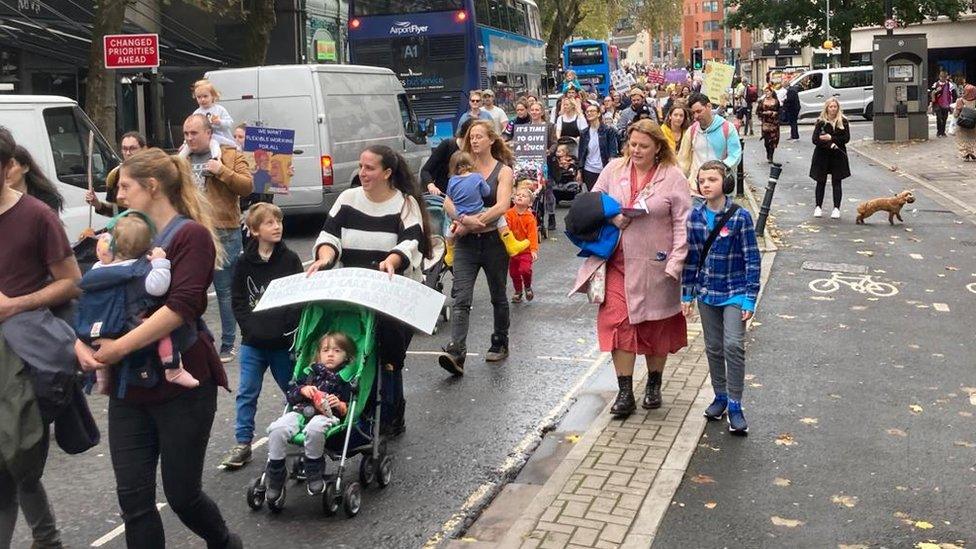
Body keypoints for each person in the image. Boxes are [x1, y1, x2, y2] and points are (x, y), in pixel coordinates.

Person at [73, 148, 241, 549]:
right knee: (133, 500)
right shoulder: (120, 233)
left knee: (182, 496)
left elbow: (180, 307)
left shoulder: (190, 235)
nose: (121, 195)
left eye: (127, 186)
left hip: (181, 380)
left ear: (152, 187)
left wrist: (114, 351)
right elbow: (96, 292)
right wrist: (81, 342)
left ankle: (224, 542)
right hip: (130, 385)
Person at [306, 145, 433, 436]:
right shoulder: (347, 199)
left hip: (392, 293)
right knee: (354, 350)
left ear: (387, 172)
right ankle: (354, 413)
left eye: (370, 168)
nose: (362, 173)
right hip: (355, 292)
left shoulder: (405, 204)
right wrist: (325, 256)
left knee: (389, 355)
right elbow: (329, 235)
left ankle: (391, 414)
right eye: (361, 167)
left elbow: (411, 241)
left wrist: (392, 258)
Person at [570, 119, 690, 417]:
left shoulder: (673, 177)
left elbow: (683, 223)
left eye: (643, 146)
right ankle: (624, 392)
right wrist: (612, 218)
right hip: (616, 263)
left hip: (657, 267)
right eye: (632, 144)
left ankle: (653, 384)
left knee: (655, 326)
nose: (636, 150)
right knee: (617, 322)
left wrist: (676, 262)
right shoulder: (613, 169)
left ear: (658, 148)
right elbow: (593, 204)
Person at [0, 126, 78, 549]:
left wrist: (15, 304)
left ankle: (46, 539)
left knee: (16, 457)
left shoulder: (36, 216)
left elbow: (70, 282)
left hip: (22, 353)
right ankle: (47, 538)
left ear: (8, 167)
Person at [76, 213, 199, 395]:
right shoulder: (136, 271)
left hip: (97, 325)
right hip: (126, 325)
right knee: (163, 332)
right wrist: (160, 263)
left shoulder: (96, 269)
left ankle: (102, 378)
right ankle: (173, 368)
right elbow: (158, 287)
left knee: (98, 346)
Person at [221, 202, 304, 469]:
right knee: (246, 392)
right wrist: (248, 327)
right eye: (269, 223)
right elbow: (238, 299)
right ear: (255, 230)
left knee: (295, 392)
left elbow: (298, 299)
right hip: (253, 343)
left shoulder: (290, 259)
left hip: (282, 343)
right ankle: (242, 443)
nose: (277, 226)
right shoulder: (244, 261)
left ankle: (300, 436)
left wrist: (286, 327)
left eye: (278, 221)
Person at [681, 160, 760, 434]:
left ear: (724, 182)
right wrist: (687, 294)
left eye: (712, 180)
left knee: (733, 345)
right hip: (706, 292)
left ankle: (736, 405)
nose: (706, 185)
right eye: (702, 181)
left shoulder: (740, 217)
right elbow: (691, 258)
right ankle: (720, 396)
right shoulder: (694, 217)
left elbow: (752, 259)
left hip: (735, 291)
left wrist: (750, 297)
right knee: (713, 347)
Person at [438, 120, 515, 375]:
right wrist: (463, 219)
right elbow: (447, 201)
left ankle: (499, 342)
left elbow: (503, 205)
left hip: (493, 242)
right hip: (466, 244)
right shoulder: (461, 166)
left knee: (498, 296)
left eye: (480, 136)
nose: (474, 141)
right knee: (461, 297)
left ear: (491, 140)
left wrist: (475, 222)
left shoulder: (503, 171)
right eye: (471, 137)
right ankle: (457, 352)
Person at [181, 114, 254, 362]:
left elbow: (247, 186)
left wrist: (222, 170)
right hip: (190, 231)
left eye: (194, 133)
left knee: (224, 290)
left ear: (209, 133)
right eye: (186, 134)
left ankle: (228, 343)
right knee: (191, 289)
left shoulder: (229, 154)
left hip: (223, 229)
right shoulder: (180, 159)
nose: (189, 138)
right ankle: (193, 341)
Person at [264, 332, 354, 500]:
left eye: (337, 350)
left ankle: (314, 469)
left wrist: (341, 405)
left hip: (326, 416)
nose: (330, 354)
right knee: (277, 429)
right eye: (326, 350)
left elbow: (351, 407)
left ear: (346, 355)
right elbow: (291, 395)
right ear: (319, 354)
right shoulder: (309, 373)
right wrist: (302, 390)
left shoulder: (346, 378)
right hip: (299, 412)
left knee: (314, 429)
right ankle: (276, 473)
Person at [444, 150, 529, 265]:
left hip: (461, 214)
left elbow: (450, 197)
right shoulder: (477, 177)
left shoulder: (452, 181)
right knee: (500, 218)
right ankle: (511, 243)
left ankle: (449, 253)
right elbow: (486, 192)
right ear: (470, 164)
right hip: (478, 211)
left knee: (451, 229)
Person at [677, 93, 742, 202]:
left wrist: (719, 169)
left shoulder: (727, 128)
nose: (696, 116)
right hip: (696, 190)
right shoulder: (692, 131)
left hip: (720, 190)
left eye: (699, 111)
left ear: (709, 106)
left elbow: (735, 155)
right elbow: (683, 160)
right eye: (693, 113)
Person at [86, 131, 148, 217]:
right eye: (124, 149)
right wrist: (97, 204)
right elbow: (115, 211)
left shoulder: (154, 173)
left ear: (144, 149)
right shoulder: (114, 175)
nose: (128, 153)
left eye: (132, 148)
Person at [809, 97, 851, 219]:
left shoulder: (843, 121)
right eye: (830, 106)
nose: (833, 109)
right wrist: (829, 144)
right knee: (820, 181)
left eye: (835, 106)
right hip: (822, 156)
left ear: (838, 108)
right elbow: (815, 139)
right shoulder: (820, 122)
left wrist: (831, 138)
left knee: (837, 181)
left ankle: (836, 208)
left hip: (837, 155)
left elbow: (846, 138)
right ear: (826, 108)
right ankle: (818, 207)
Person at [421, 118, 476, 195]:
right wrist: (431, 186)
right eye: (473, 137)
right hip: (443, 194)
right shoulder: (448, 145)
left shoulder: (478, 150)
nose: (475, 141)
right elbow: (425, 171)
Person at [5, 145, 63, 213]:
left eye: (11, 165)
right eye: (2, 166)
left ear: (25, 168)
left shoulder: (46, 198)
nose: (5, 171)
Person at [506, 187, 538, 303]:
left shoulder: (530, 218)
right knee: (514, 272)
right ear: (513, 198)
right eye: (518, 195)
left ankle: (528, 286)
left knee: (525, 270)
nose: (519, 196)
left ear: (529, 203)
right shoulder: (508, 214)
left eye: (523, 196)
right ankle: (518, 291)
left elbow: (532, 235)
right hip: (512, 251)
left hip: (525, 250)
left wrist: (533, 250)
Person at [577, 102, 619, 190]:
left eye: (592, 111)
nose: (589, 113)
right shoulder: (584, 133)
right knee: (593, 197)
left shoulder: (608, 131)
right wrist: (579, 171)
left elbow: (613, 151)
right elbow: (581, 154)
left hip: (604, 169)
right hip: (589, 170)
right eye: (587, 112)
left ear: (598, 113)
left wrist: (611, 166)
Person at [190, 79, 237, 150]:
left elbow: (230, 123)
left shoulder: (220, 109)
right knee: (187, 148)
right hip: (205, 144)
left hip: (224, 142)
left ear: (213, 96)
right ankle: (178, 159)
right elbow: (191, 130)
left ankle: (216, 158)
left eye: (205, 96)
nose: (202, 99)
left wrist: (220, 122)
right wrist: (185, 142)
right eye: (199, 97)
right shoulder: (196, 113)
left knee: (214, 140)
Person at [756, 86, 782, 164]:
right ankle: (768, 152)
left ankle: (771, 156)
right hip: (766, 123)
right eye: (765, 92)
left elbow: (780, 111)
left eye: (768, 91)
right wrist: (764, 113)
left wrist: (775, 113)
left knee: (773, 140)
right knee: (766, 141)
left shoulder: (776, 101)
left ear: (771, 92)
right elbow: (758, 112)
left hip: (774, 123)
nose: (766, 93)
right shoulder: (762, 101)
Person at [931, 71, 957, 138]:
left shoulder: (950, 85)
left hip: (946, 104)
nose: (943, 78)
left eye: (944, 77)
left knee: (944, 118)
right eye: (942, 77)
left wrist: (953, 103)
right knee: (939, 118)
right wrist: (936, 91)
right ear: (939, 77)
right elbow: (931, 93)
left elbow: (954, 95)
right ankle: (939, 132)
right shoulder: (935, 84)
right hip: (937, 104)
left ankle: (943, 132)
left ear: (946, 77)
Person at [954, 84, 976, 161]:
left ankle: (965, 154)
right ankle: (973, 153)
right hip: (974, 124)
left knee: (962, 138)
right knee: (973, 138)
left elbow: (956, 114)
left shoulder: (960, 100)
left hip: (962, 123)